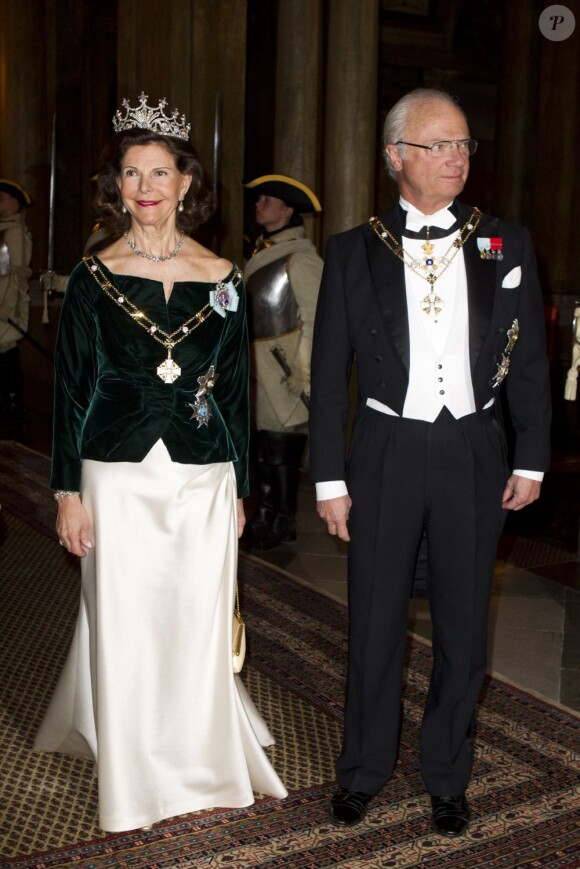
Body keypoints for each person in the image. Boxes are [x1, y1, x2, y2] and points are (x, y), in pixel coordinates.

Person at [34, 93, 287, 832]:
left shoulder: (225, 276)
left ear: (185, 184)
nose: (144, 187)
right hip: (115, 475)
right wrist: (66, 490)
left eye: (159, 173)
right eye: (130, 174)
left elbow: (237, 392)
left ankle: (201, 755)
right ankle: (136, 769)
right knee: (127, 617)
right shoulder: (93, 277)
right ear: (117, 188)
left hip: (202, 474)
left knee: (195, 616)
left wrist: (239, 481)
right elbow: (70, 390)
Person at [309, 88, 551, 837]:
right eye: (439, 145)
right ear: (395, 157)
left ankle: (448, 774)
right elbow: (326, 377)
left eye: (464, 146)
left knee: (462, 627)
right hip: (384, 449)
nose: (457, 159)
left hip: (473, 449)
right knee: (376, 619)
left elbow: (535, 362)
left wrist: (532, 456)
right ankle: (363, 770)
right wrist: (329, 477)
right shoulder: (352, 251)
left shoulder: (504, 243)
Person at [242, 174, 323, 550]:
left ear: (287, 210)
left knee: (280, 449)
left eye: (267, 200)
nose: (259, 205)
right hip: (258, 363)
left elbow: (314, 317)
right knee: (263, 447)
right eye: (258, 200)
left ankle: (281, 520)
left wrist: (303, 373)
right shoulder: (263, 250)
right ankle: (265, 515)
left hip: (283, 367)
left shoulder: (301, 257)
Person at [0, 179, 32, 426]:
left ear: (13, 202)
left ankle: (13, 408)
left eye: (2, 198)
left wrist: (8, 306)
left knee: (7, 354)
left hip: (6, 305)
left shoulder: (15, 232)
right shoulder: (4, 229)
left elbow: (17, 275)